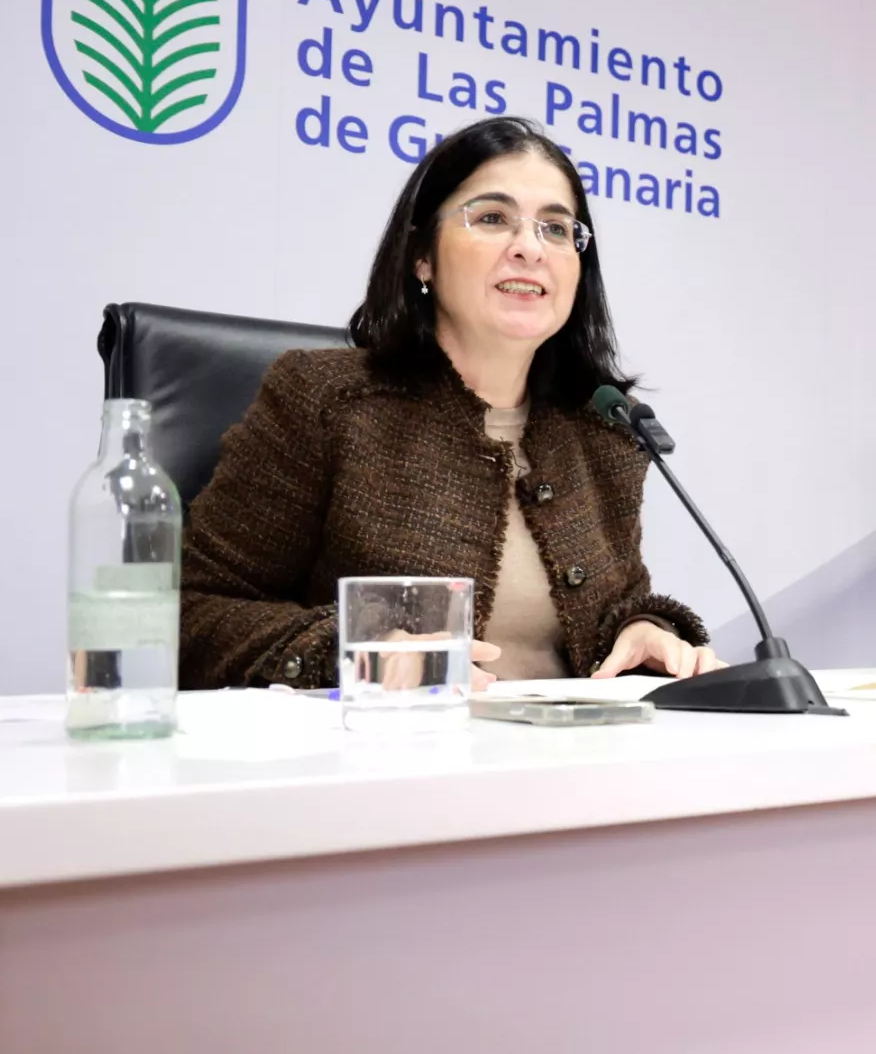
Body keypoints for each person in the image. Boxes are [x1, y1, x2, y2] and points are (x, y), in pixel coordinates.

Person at [181, 117, 721, 690]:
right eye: (492, 218)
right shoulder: (327, 401)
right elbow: (195, 612)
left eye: (557, 229)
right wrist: (358, 653)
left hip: (575, 764)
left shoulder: (603, 427)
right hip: (390, 763)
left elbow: (615, 605)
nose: (530, 249)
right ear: (422, 257)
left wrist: (643, 630)